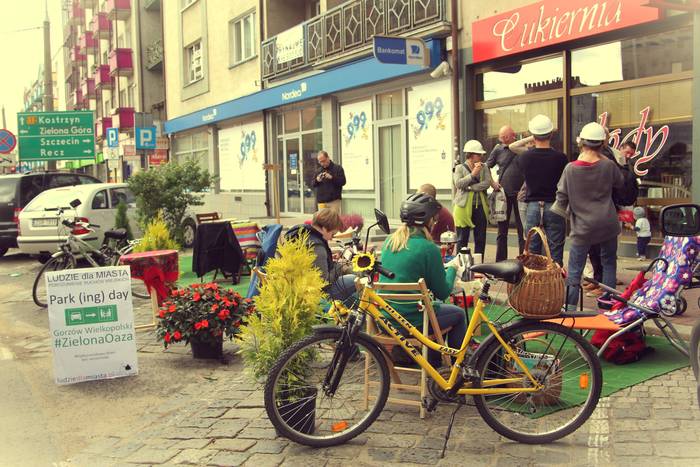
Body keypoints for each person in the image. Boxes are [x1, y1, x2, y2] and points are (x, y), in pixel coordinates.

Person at [379, 192, 467, 366]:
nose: (435, 222)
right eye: (434, 219)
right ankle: (458, 368)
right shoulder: (428, 248)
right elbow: (443, 292)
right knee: (458, 314)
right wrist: (453, 268)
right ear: (428, 220)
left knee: (430, 309)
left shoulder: (389, 241)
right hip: (413, 322)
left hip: (387, 320)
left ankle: (433, 361)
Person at [551, 122, 624, 309]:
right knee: (609, 263)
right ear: (602, 144)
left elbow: (561, 197)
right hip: (608, 223)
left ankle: (570, 308)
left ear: (582, 143)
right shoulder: (608, 165)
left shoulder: (570, 168)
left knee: (575, 270)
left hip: (582, 227)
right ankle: (608, 305)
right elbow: (620, 183)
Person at [512, 115, 568, 266]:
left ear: (533, 135)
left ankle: (535, 279)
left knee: (532, 252)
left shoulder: (525, 157)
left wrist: (532, 136)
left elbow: (513, 147)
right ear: (551, 134)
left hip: (533, 206)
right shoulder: (561, 158)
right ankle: (555, 278)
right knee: (555, 250)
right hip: (555, 206)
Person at [285, 208, 355, 304]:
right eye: (332, 234)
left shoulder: (302, 235)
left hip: (296, 289)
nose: (331, 238)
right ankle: (349, 311)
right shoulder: (317, 247)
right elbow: (323, 282)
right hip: (314, 296)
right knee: (354, 280)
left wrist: (328, 260)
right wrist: (339, 267)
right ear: (325, 228)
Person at [486, 125, 525, 261]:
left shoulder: (521, 148)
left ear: (513, 135)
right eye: (501, 137)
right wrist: (492, 183)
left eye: (505, 136)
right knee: (502, 231)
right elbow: (486, 167)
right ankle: (500, 261)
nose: (502, 139)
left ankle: (523, 260)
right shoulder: (498, 149)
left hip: (521, 194)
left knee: (522, 230)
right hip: (504, 194)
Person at [452, 140, 494, 257]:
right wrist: (473, 175)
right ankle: (461, 263)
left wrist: (470, 187)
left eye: (481, 154)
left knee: (480, 237)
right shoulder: (459, 168)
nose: (481, 157)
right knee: (462, 238)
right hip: (463, 206)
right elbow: (458, 184)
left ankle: (479, 263)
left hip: (480, 206)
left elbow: (486, 183)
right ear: (470, 155)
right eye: (478, 154)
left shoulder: (484, 167)